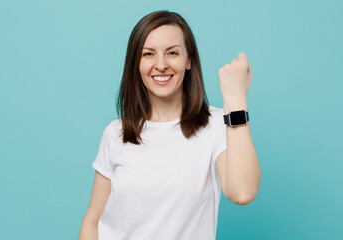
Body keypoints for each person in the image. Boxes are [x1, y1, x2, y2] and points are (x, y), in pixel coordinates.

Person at [79, 10, 261, 240]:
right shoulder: (116, 132)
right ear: (136, 63)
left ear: (189, 60)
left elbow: (242, 192)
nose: (161, 65)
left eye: (172, 53)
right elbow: (93, 220)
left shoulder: (215, 126)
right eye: (148, 54)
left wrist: (235, 99)